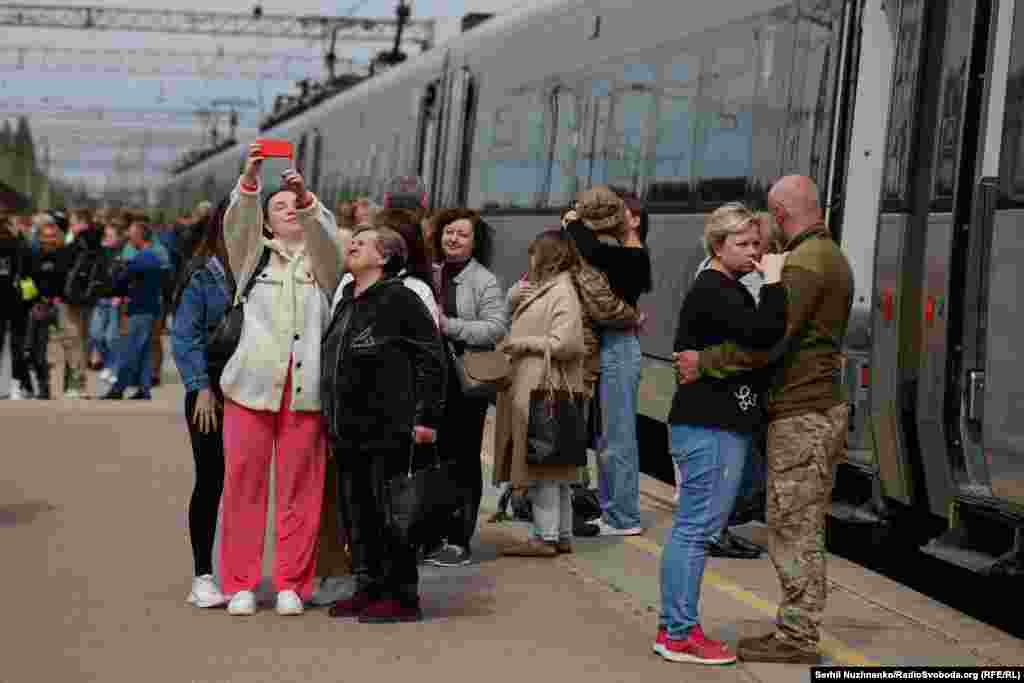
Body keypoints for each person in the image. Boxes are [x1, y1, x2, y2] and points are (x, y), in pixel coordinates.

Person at [676, 175, 854, 664]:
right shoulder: (831, 254)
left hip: (801, 412)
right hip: (817, 406)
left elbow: (769, 342)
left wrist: (704, 363)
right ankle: (798, 628)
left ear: (779, 215)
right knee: (802, 521)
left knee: (793, 525)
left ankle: (797, 636)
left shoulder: (803, 265)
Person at [654, 203, 788, 666]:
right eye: (744, 244)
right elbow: (765, 333)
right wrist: (773, 281)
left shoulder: (723, 286)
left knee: (693, 529)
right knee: (696, 531)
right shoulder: (717, 289)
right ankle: (679, 633)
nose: (755, 252)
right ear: (718, 246)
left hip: (710, 423)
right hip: (711, 424)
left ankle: (675, 626)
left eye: (758, 244)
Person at [217, 143, 344, 617]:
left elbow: (329, 238)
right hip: (249, 390)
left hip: (306, 393)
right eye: (280, 206)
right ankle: (240, 583)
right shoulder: (252, 260)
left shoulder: (325, 264)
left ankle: (293, 581)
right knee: (244, 488)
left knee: (301, 492)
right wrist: (251, 182)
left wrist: (307, 197)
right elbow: (236, 225)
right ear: (267, 222)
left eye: (296, 205)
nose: (289, 209)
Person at [322, 226, 446, 623]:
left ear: (385, 257)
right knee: (358, 516)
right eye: (352, 241)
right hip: (348, 429)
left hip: (388, 427)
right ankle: (369, 587)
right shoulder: (347, 299)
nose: (352, 245)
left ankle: (401, 596)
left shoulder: (400, 298)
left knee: (391, 513)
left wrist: (427, 418)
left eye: (363, 242)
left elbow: (432, 358)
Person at [424, 208, 508, 568]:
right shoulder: (428, 272)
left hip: (464, 384)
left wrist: (449, 326)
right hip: (429, 381)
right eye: (448, 232)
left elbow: (495, 328)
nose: (453, 239)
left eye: (461, 234)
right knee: (431, 457)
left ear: (474, 242)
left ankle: (458, 538)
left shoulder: (484, 281)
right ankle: (428, 532)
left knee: (461, 458)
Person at [566, 186, 652, 536]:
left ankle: (624, 517)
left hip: (620, 347)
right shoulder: (622, 253)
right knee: (607, 436)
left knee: (617, 437)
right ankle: (612, 510)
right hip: (614, 346)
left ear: (633, 220)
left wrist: (572, 224)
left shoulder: (630, 256)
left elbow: (592, 251)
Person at [494, 230, 586, 556]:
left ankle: (543, 537)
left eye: (534, 254)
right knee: (555, 467)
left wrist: (523, 344)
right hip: (539, 385)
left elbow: (567, 343)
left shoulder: (562, 291)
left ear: (548, 257)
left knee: (543, 465)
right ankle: (560, 534)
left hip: (545, 388)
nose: (530, 260)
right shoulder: (550, 289)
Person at [170, 197, 233, 609]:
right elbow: (185, 335)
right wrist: (201, 386)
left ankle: (238, 572)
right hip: (210, 388)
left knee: (246, 484)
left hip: (254, 386)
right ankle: (202, 574)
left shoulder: (268, 266)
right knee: (211, 477)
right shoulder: (202, 272)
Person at [98, 216, 165, 401]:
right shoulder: (152, 257)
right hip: (149, 309)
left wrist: (112, 285)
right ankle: (144, 389)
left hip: (140, 310)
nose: (129, 238)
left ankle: (118, 388)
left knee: (130, 350)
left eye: (132, 235)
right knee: (143, 352)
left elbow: (123, 279)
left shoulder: (144, 258)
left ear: (139, 237)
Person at [24, 220, 71, 400]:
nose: (50, 240)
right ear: (40, 237)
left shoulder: (64, 255)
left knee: (68, 347)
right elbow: (25, 279)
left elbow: (68, 279)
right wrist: (34, 300)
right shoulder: (33, 255)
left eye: (53, 236)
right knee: (38, 352)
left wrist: (60, 298)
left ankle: (70, 387)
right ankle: (44, 387)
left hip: (60, 306)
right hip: (39, 307)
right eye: (46, 236)